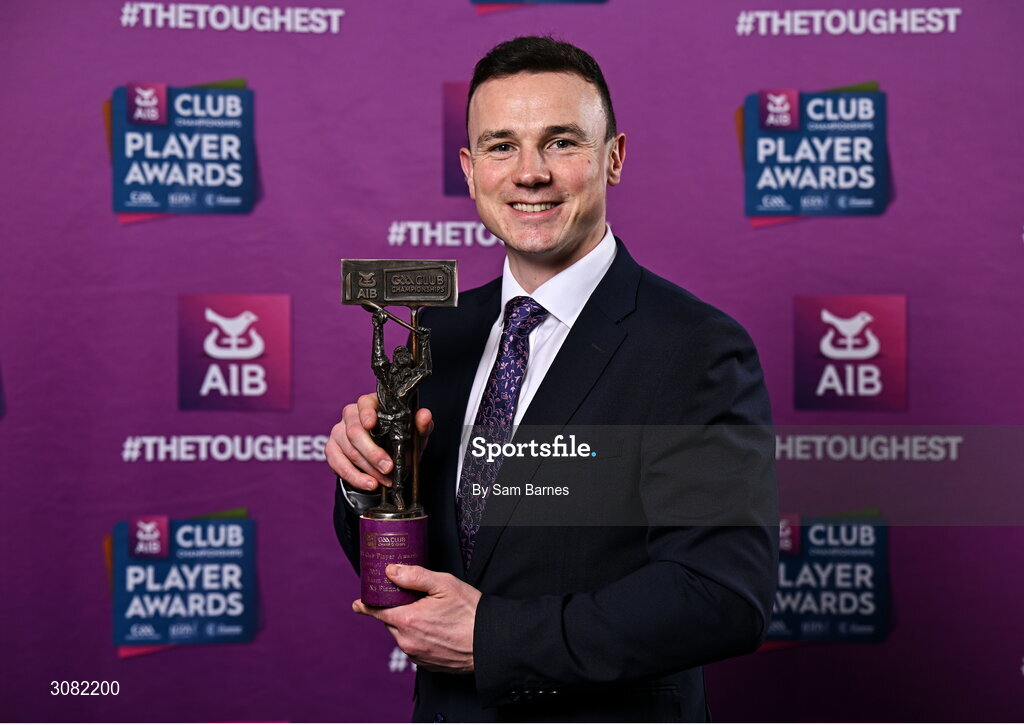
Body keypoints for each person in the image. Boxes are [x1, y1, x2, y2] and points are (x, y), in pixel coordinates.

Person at [327, 36, 778, 722]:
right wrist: (364, 484)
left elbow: (722, 594)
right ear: (470, 169)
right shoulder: (436, 337)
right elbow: (417, 549)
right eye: (501, 145)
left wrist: (492, 638)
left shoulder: (696, 349)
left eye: (561, 142)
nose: (529, 173)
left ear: (614, 158)